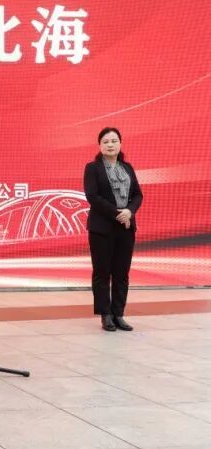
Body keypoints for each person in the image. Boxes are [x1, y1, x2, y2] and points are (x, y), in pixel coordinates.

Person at [83, 127, 143, 332]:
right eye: (106, 141)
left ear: (120, 144)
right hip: (102, 228)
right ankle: (105, 315)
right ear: (100, 145)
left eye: (114, 141)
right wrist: (118, 213)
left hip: (126, 227)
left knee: (122, 273)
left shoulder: (127, 167)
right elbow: (92, 196)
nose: (110, 144)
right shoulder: (93, 168)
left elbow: (138, 195)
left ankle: (119, 314)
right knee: (102, 272)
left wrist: (130, 211)